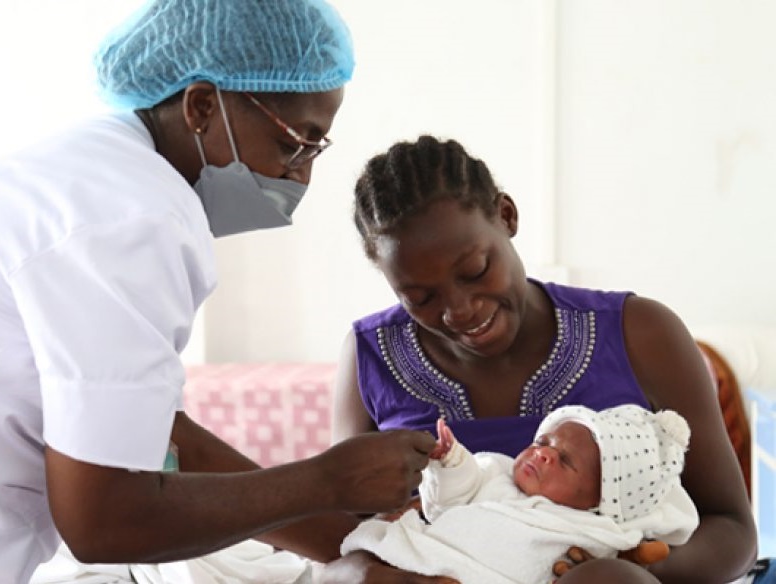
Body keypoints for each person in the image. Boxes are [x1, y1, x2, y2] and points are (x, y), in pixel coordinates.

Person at [0, 2, 443, 583]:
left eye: (315, 150)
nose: (301, 176)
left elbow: (153, 429)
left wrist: (356, 544)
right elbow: (103, 522)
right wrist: (326, 480)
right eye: (295, 143)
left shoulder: (91, 171)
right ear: (202, 105)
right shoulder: (137, 217)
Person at [324, 135, 758, 583]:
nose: (460, 310)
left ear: (507, 216)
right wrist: (361, 574)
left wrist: (633, 569)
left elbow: (735, 532)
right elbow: (341, 535)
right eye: (420, 297)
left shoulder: (641, 332)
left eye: (475, 271)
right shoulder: (371, 355)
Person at [341, 405, 699, 584]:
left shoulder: (597, 530)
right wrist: (451, 463)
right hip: (426, 560)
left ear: (600, 499)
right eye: (543, 442)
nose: (543, 453)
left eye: (564, 461)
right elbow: (446, 503)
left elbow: (627, 554)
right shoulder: (495, 472)